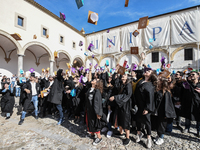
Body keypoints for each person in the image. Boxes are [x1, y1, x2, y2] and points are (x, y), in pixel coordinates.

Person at [134, 67, 156, 149]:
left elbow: (150, 97)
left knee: (147, 122)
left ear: (151, 74)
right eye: (146, 70)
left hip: (146, 106)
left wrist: (147, 108)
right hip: (138, 105)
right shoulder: (141, 80)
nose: (146, 71)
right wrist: (141, 62)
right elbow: (138, 70)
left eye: (149, 71)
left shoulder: (150, 84)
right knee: (138, 120)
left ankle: (148, 138)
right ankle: (139, 133)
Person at [109, 73, 133, 146]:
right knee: (120, 119)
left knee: (125, 120)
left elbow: (127, 95)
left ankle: (128, 137)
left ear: (127, 77)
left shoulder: (128, 85)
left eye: (124, 75)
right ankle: (121, 132)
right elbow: (114, 81)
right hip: (120, 105)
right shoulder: (122, 84)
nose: (123, 76)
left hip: (125, 105)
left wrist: (115, 97)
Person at [154, 77, 176, 145]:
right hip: (158, 110)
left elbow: (168, 104)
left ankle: (161, 138)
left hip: (163, 111)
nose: (158, 80)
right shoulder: (157, 90)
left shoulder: (166, 92)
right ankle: (158, 135)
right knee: (158, 124)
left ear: (163, 82)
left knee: (162, 125)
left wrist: (167, 114)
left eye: (159, 80)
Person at [85, 78, 105, 146]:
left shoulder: (97, 91)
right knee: (90, 122)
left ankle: (99, 137)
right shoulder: (90, 89)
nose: (92, 80)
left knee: (95, 124)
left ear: (96, 83)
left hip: (94, 111)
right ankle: (92, 134)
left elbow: (97, 103)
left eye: (94, 80)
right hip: (89, 109)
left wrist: (98, 113)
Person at [181, 71, 200, 137]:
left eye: (193, 74)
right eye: (190, 74)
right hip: (189, 102)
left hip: (198, 103)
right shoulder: (188, 84)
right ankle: (187, 128)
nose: (191, 75)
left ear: (197, 76)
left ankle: (199, 130)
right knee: (188, 116)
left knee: (199, 117)